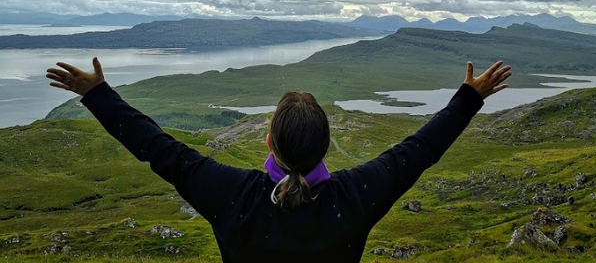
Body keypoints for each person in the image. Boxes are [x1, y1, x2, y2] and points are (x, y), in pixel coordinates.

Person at [47, 57, 510, 263]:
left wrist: (98, 94)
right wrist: (469, 97)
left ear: (269, 142)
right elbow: (420, 151)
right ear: (324, 148)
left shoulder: (230, 195)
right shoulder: (356, 197)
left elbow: (159, 150)